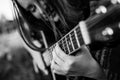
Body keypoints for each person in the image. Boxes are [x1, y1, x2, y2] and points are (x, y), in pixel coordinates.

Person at [11, 0, 120, 80]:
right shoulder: (43, 27)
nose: (42, 10)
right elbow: (21, 31)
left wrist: (94, 71)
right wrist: (35, 53)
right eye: (32, 8)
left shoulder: (94, 6)